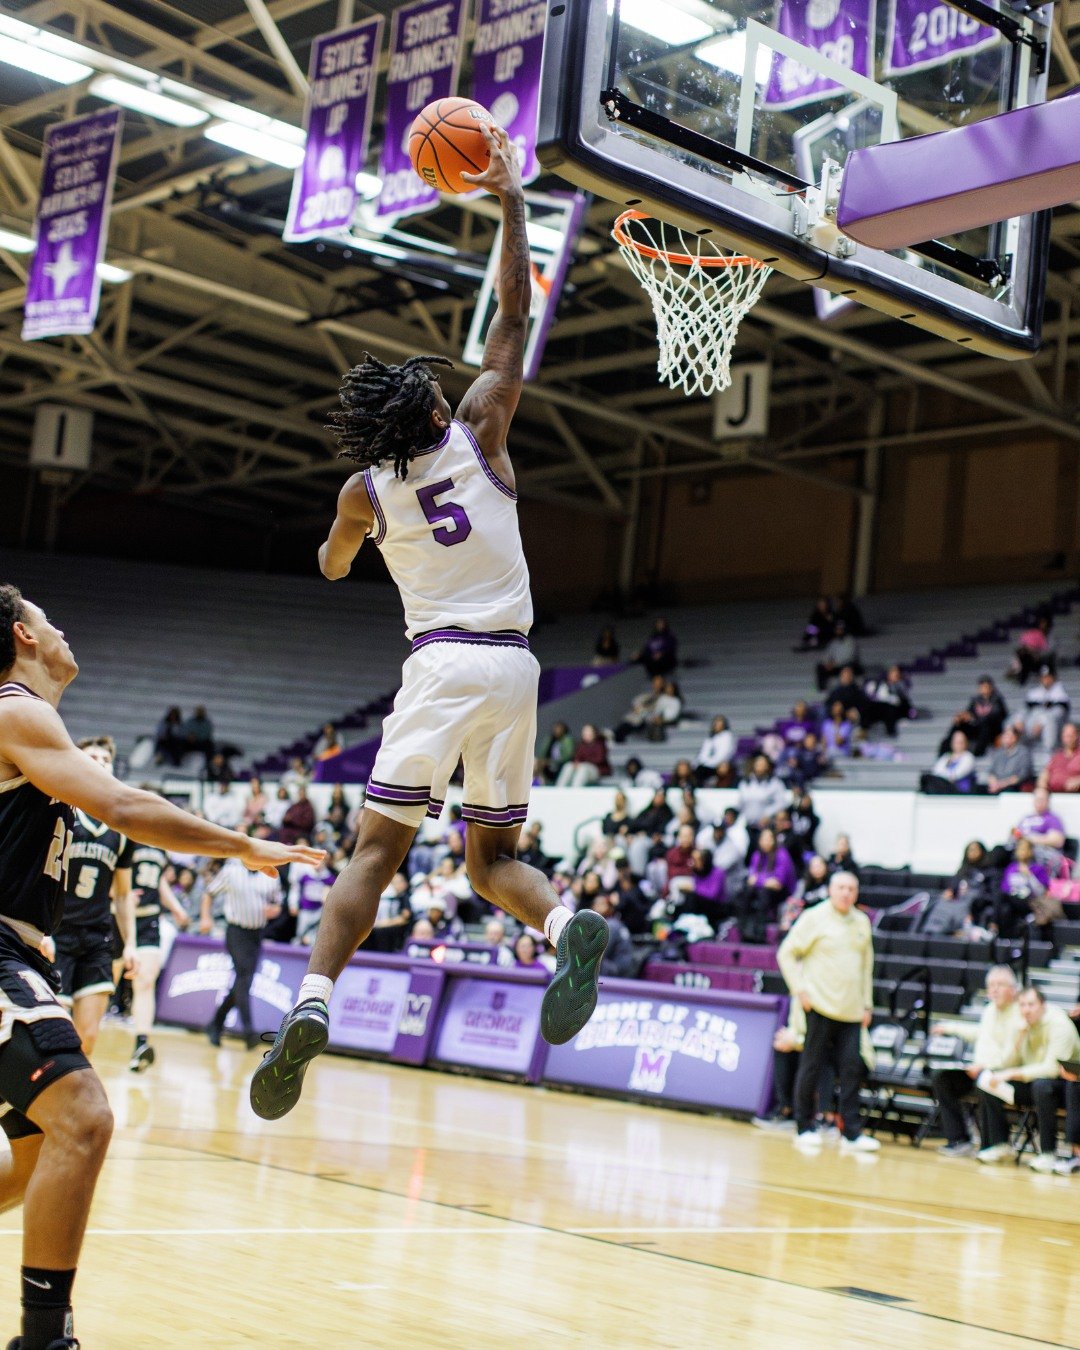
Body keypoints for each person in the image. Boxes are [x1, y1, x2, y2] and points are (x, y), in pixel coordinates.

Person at [250, 130, 607, 1123]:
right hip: (519, 668)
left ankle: (313, 1002)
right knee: (491, 863)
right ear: (438, 402)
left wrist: (352, 537)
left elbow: (327, 567)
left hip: (441, 665)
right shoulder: (486, 429)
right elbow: (516, 317)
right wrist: (505, 202)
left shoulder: (364, 487)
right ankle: (568, 922)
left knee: (374, 854)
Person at [0, 584, 322, 1350]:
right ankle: (44, 1339)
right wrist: (243, 843)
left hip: (22, 950)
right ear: (23, 636)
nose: (64, 627)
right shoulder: (16, 709)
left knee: (38, 1153)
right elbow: (126, 809)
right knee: (83, 1115)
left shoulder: (26, 718)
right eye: (51, 620)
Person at [45, 737, 137, 1061]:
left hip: (97, 938)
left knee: (88, 1037)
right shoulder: (58, 812)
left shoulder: (121, 829)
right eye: (92, 756)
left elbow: (123, 895)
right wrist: (42, 932)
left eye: (105, 758)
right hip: (58, 934)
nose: (99, 762)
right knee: (54, 1035)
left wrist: (131, 945)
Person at [779, 872, 878, 1154]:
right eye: (841, 888)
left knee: (851, 1070)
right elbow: (786, 952)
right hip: (819, 1006)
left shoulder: (861, 921)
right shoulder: (814, 917)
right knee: (810, 1066)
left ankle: (852, 1133)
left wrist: (867, 1004)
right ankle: (804, 1126)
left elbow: (866, 967)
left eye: (851, 888)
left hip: (851, 1011)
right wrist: (799, 989)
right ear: (831, 891)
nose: (846, 893)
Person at [976, 985, 1080, 1171]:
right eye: (1022, 1005)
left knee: (1042, 1086)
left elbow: (1052, 1069)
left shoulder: (1059, 1025)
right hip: (1032, 1081)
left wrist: (1009, 1074)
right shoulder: (1022, 1024)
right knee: (986, 1080)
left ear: (1043, 1006)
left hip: (1065, 1084)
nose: (1026, 1009)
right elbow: (1007, 1063)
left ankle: (1048, 1153)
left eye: (1031, 1004)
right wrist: (1019, 1036)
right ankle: (1001, 1145)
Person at [929, 965, 1022, 1157]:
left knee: (984, 1080)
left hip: (1004, 1074)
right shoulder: (989, 1011)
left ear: (1013, 989)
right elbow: (979, 1033)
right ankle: (959, 1140)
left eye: (1000, 985)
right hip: (979, 1071)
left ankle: (997, 1144)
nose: (994, 989)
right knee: (942, 1079)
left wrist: (985, 1067)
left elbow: (1014, 1054)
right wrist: (949, 1028)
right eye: (991, 985)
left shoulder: (1020, 1015)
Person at [201, 852, 283, 1049]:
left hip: (257, 934)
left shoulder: (271, 874)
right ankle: (248, 1032)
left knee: (243, 981)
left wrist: (275, 910)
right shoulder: (231, 871)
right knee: (244, 978)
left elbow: (278, 903)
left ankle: (215, 1024)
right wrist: (206, 917)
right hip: (236, 932)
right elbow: (209, 893)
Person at [127, 830, 190, 1071]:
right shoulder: (125, 835)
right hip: (120, 917)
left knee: (145, 982)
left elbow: (159, 881)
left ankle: (141, 1045)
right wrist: (118, 894)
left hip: (149, 919)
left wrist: (175, 908)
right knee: (109, 981)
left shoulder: (159, 844)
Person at [735, 827, 797, 945]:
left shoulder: (782, 855)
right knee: (745, 892)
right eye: (763, 839)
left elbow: (778, 883)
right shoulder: (757, 855)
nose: (766, 842)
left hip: (783, 892)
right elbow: (751, 879)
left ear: (774, 840)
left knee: (763, 893)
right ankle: (744, 931)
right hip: (762, 889)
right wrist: (764, 881)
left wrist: (759, 880)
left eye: (769, 839)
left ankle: (759, 934)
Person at [1022, 667, 1070, 752]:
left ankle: (1049, 752)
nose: (1046, 680)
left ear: (1053, 678)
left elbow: (1059, 713)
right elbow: (1028, 711)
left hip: (1056, 727)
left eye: (1048, 677)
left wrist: (1041, 722)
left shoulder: (1061, 692)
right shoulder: (1034, 693)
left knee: (1050, 720)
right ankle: (1022, 749)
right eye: (1043, 677)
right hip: (1035, 727)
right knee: (1021, 718)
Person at [735, 755, 787, 833]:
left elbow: (782, 802)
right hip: (747, 825)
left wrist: (768, 814)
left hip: (766, 827)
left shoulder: (774, 783)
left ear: (768, 766)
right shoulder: (745, 783)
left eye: (763, 764)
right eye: (758, 763)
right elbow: (740, 804)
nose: (760, 766)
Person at [861, 665, 912, 737]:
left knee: (889, 709)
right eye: (893, 671)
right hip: (878, 708)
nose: (896, 674)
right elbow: (871, 695)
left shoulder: (900, 686)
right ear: (888, 673)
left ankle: (891, 733)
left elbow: (901, 701)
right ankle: (864, 730)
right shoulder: (878, 684)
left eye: (897, 673)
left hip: (893, 710)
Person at [920, 730, 977, 795]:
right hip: (946, 784)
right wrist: (947, 776)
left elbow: (957, 774)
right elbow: (936, 771)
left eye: (960, 742)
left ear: (965, 743)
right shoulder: (946, 756)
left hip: (960, 789)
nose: (958, 744)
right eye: (956, 742)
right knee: (926, 778)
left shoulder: (968, 757)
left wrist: (946, 776)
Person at [986, 724, 1034, 795]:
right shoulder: (998, 753)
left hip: (1014, 787)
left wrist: (1001, 784)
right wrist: (993, 783)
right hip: (997, 786)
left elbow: (1022, 775)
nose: (1005, 738)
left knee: (1008, 792)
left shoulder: (1023, 753)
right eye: (1004, 736)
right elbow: (991, 772)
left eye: (1008, 736)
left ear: (1015, 738)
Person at [815, 622, 860, 693]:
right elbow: (827, 654)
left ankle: (848, 688)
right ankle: (822, 689)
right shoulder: (833, 642)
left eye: (840, 630)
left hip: (847, 664)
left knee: (848, 667)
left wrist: (834, 664)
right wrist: (826, 663)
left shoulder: (850, 641)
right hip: (835, 666)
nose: (839, 631)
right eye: (837, 630)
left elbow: (849, 656)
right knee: (820, 667)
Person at [694, 715, 735, 786]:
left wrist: (709, 763)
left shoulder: (727, 736)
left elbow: (723, 755)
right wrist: (704, 762)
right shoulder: (710, 738)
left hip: (719, 764)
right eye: (715, 723)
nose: (716, 725)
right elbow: (703, 754)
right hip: (707, 764)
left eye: (719, 723)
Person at [1040, 720, 1080, 794]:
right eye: (1065, 736)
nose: (1068, 739)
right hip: (1054, 795)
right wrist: (1042, 787)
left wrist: (1078, 780)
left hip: (1075, 796)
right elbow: (1046, 772)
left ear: (1077, 736)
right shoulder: (1057, 755)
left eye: (1070, 736)